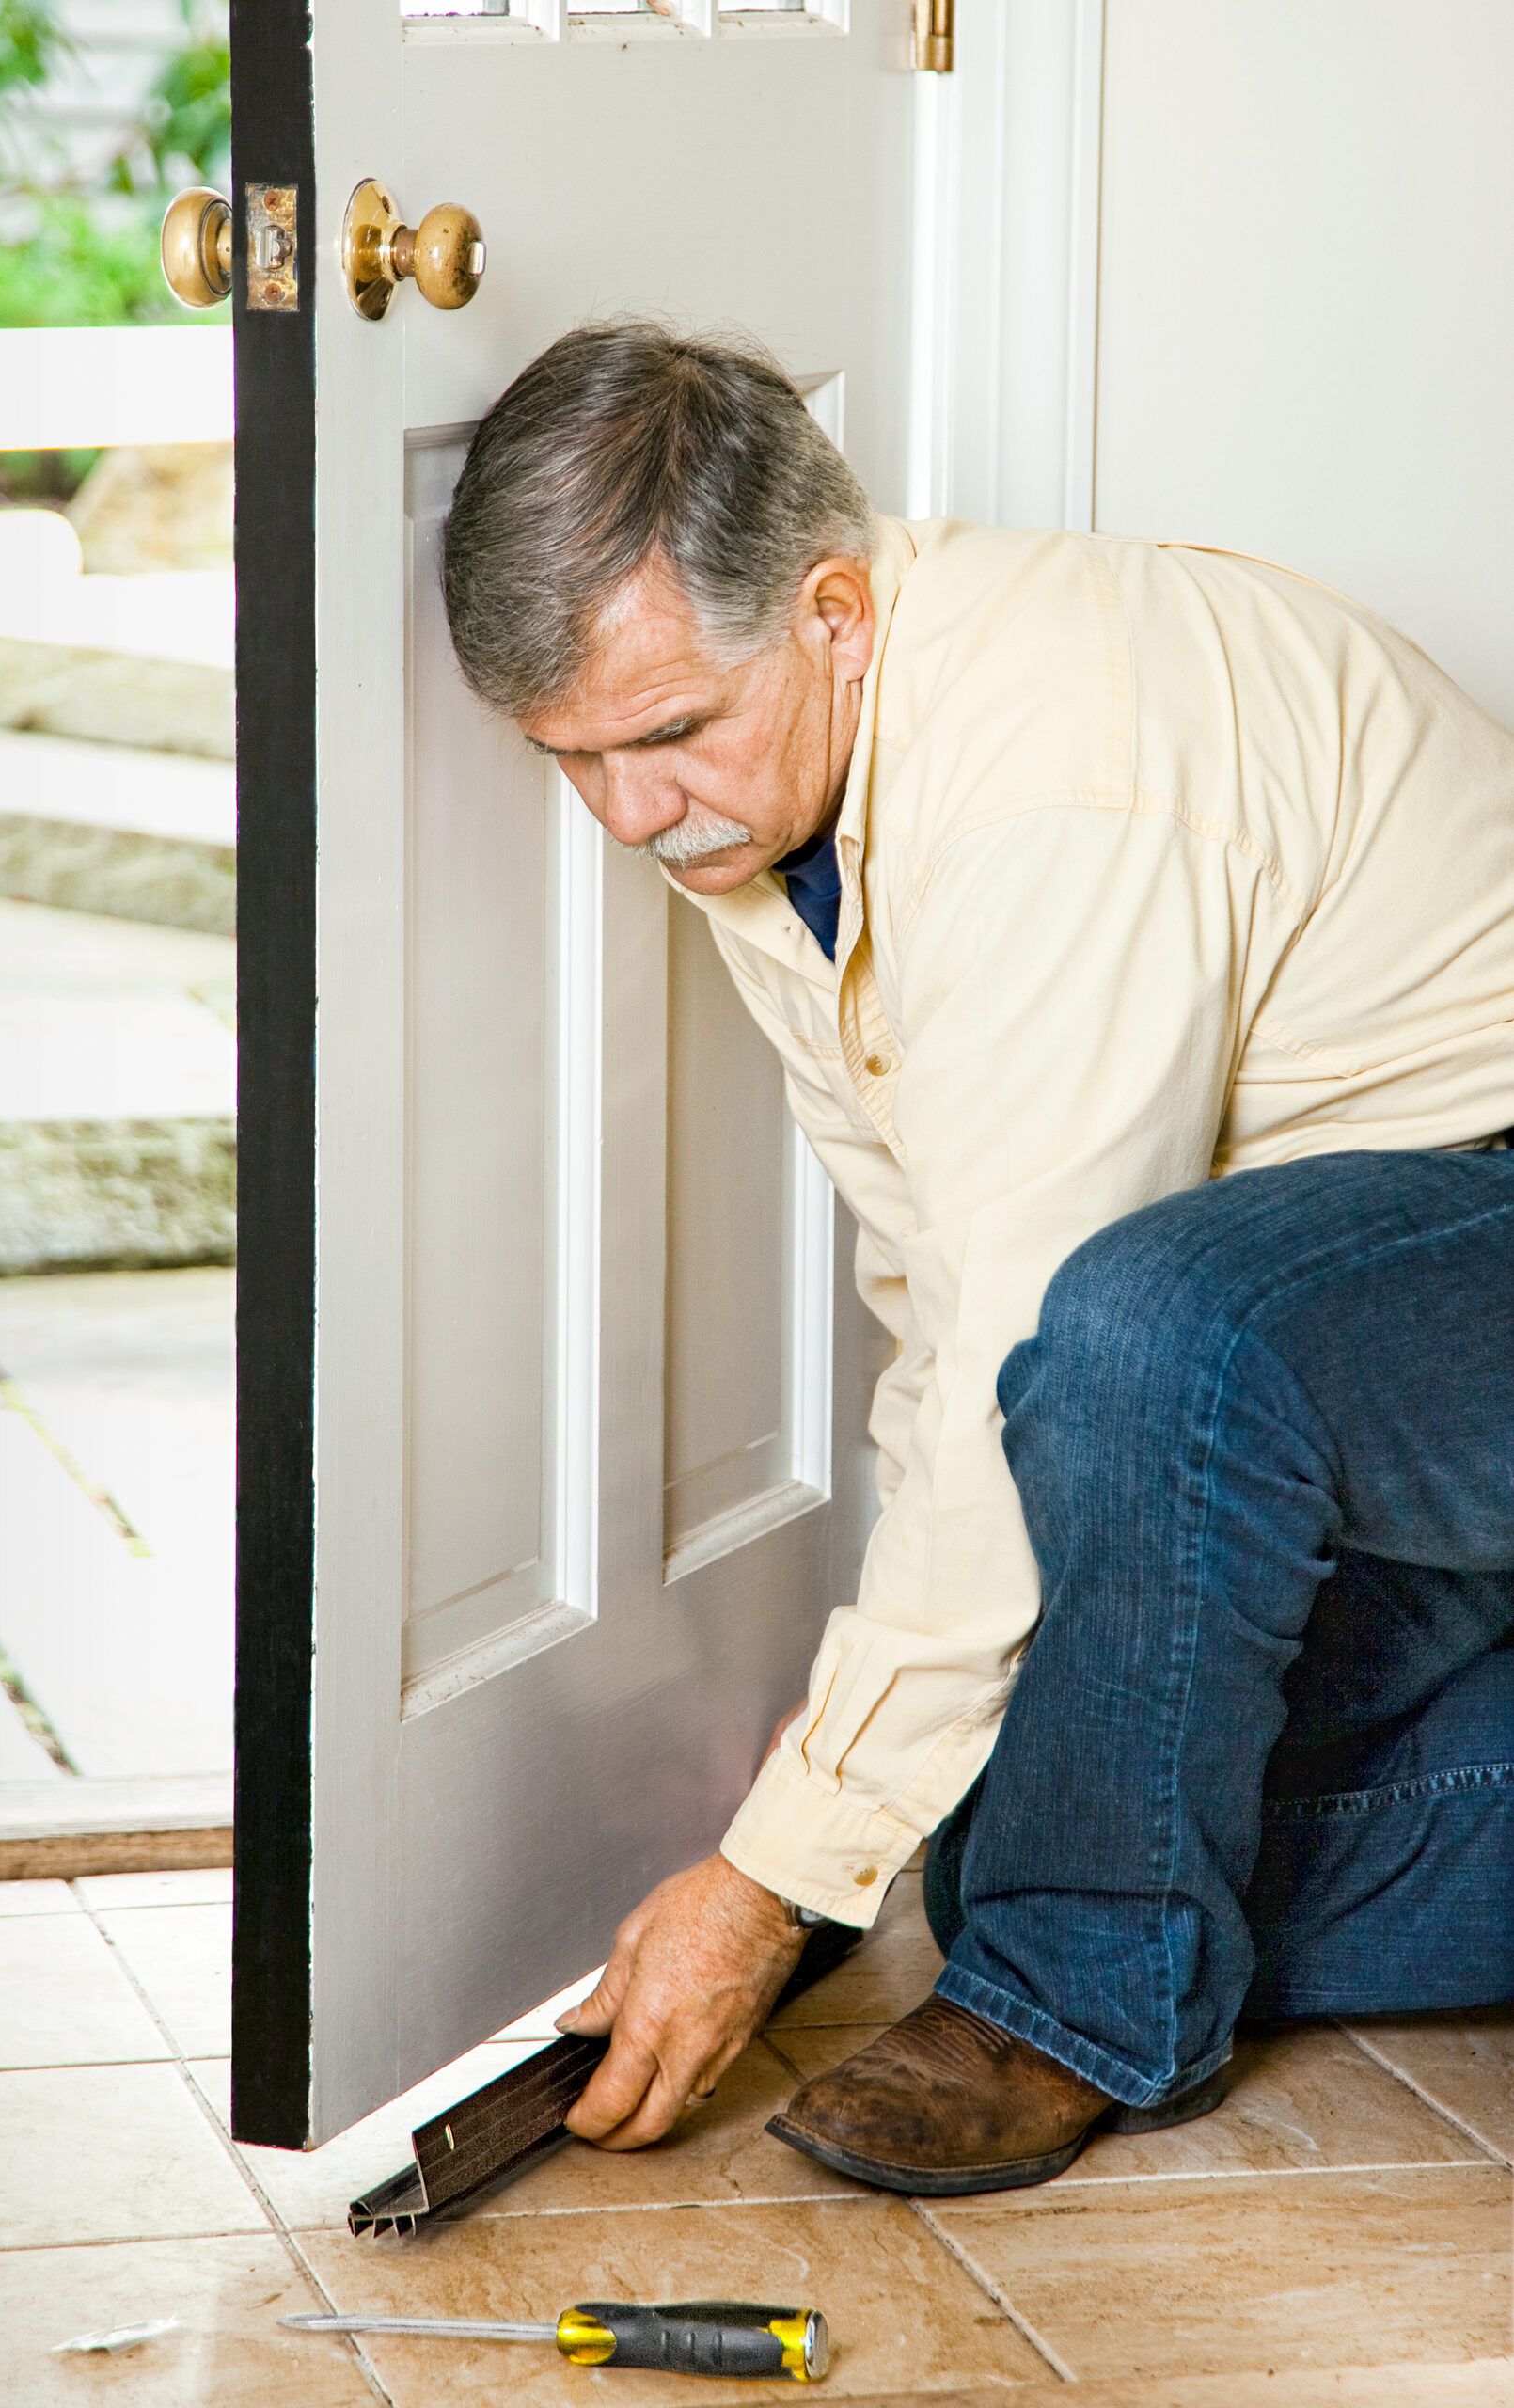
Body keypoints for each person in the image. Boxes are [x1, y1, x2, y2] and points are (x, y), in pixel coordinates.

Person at [439, 322, 1514, 2194]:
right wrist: (869, 1778)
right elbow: (940, 1303)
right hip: (1345, 1354)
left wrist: (772, 1872)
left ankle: (1069, 2005)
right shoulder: (778, 812)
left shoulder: (1047, 782)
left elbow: (1054, 1313)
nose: (625, 813)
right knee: (990, 1830)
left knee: (1143, 1331)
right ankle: (1071, 1916)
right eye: (573, 759)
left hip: (1447, 1263)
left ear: (834, 612)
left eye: (669, 732)